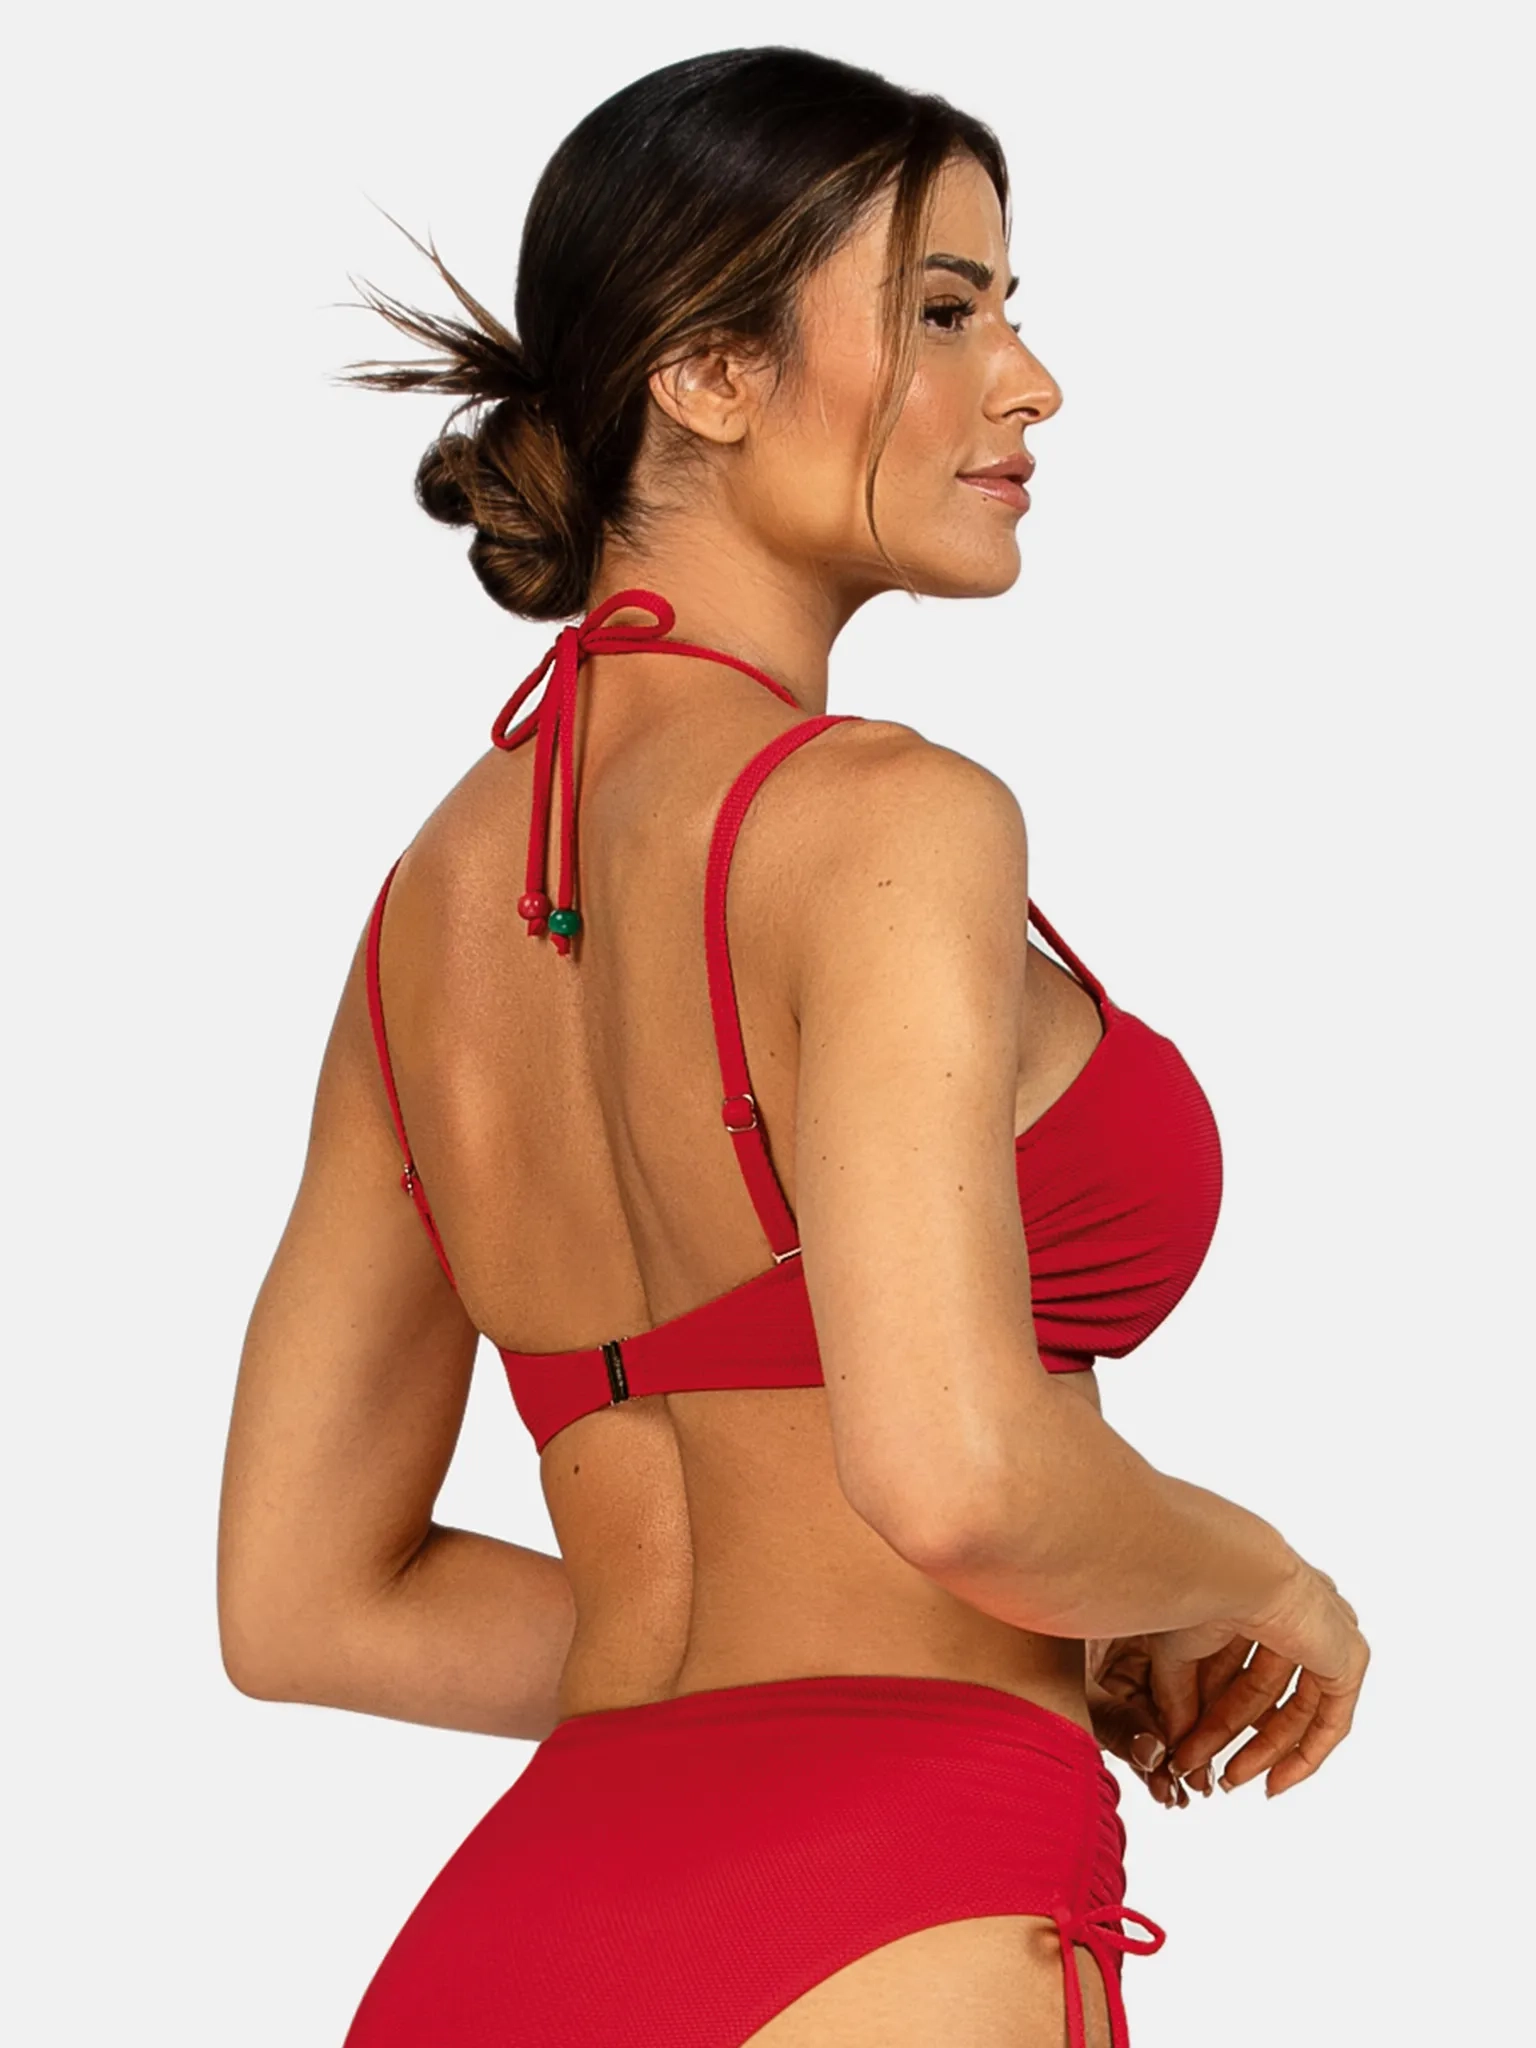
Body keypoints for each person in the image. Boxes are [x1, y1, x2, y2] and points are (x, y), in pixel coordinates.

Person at [216, 44, 1369, 2048]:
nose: (1029, 380)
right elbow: (960, 1474)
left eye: (1007, 311)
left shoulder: (428, 912)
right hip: (891, 1897)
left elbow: (305, 1603)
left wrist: (912, 1632)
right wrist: (1253, 1577)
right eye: (945, 311)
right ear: (708, 372)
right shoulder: (894, 820)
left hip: (522, 1928)